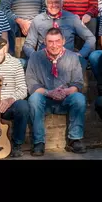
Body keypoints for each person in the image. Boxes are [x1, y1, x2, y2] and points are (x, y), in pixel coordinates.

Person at [25, 28, 87, 156]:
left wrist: (65, 92)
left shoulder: (72, 57)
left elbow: (77, 83)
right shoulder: (35, 57)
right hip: (45, 99)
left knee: (79, 98)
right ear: (45, 42)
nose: (54, 45)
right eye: (50, 42)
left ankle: (74, 139)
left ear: (63, 41)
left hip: (65, 99)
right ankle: (38, 142)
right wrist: (49, 93)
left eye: (57, 41)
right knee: (34, 98)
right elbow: (31, 84)